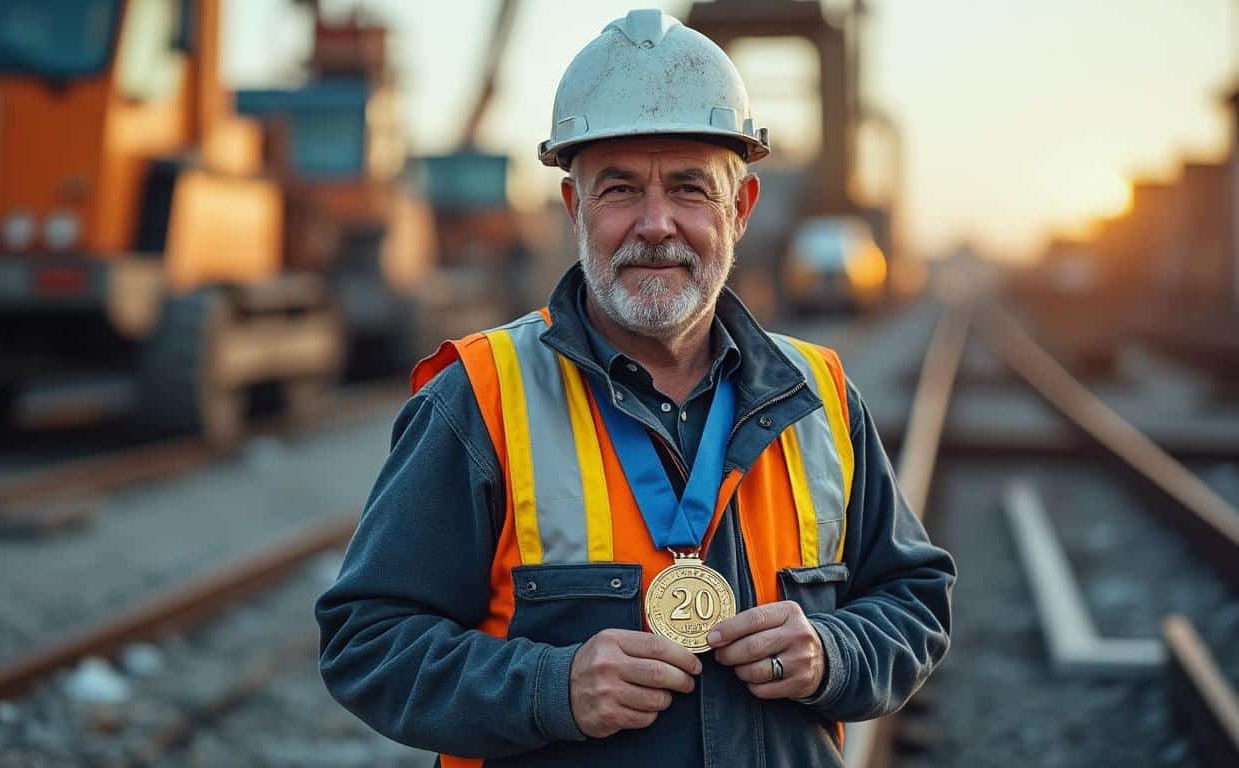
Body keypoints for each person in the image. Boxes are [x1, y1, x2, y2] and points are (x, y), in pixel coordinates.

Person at [316, 9, 954, 767]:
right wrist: (550, 687)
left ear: (740, 209)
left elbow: (913, 598)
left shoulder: (818, 397)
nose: (656, 225)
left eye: (689, 188)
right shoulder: (479, 400)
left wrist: (834, 652)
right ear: (574, 208)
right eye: (619, 189)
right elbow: (368, 640)